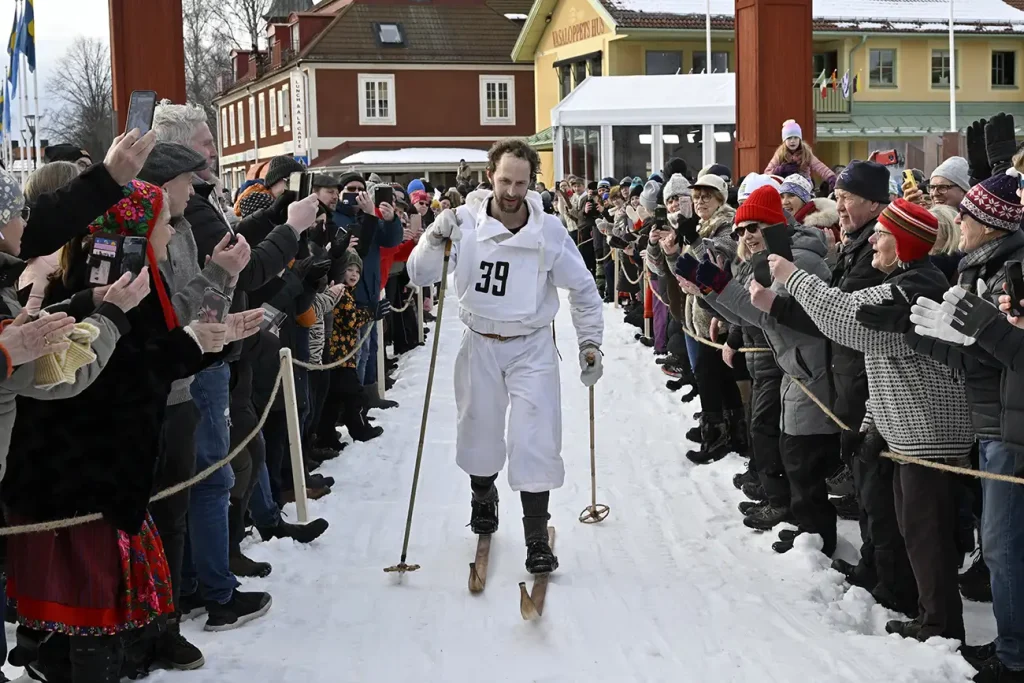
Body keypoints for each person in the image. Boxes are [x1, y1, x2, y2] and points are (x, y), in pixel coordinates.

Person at [3, 181, 237, 682]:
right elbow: (116, 375)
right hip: (84, 475)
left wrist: (211, 338)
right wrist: (193, 343)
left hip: (87, 471)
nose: (173, 230)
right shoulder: (116, 281)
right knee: (91, 609)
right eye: (164, 221)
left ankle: (68, 657)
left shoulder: (116, 275)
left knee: (89, 611)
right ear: (137, 228)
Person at [772, 197, 972, 638]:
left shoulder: (912, 288)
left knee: (927, 538)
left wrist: (793, 279)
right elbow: (887, 370)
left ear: (901, 243)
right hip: (908, 434)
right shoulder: (905, 281)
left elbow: (842, 318)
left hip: (930, 439)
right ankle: (931, 617)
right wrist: (868, 426)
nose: (874, 242)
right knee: (913, 533)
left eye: (881, 234)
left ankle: (940, 628)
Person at [406, 138, 604, 573]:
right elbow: (420, 274)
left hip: (530, 344)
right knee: (479, 428)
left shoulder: (548, 230)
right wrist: (433, 237)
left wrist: (590, 342)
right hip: (480, 341)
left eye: (521, 182)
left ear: (532, 181)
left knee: (535, 435)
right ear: (490, 176)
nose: (512, 191)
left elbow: (584, 289)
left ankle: (536, 536)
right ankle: (483, 497)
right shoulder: (464, 223)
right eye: (504, 181)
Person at [693, 186, 839, 554]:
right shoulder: (772, 258)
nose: (746, 237)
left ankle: (814, 533)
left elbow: (788, 318)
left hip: (810, 371)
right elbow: (757, 316)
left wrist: (723, 290)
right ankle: (804, 526)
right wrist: (711, 290)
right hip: (793, 368)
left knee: (799, 456)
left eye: (753, 227)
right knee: (790, 450)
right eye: (741, 231)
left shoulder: (798, 259)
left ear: (773, 225)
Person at [764, 120, 836, 188]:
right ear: (784, 140)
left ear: (800, 139)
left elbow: (819, 166)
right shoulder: (780, 153)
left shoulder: (806, 153)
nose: (792, 141)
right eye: (789, 138)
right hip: (785, 184)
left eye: (796, 138)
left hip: (804, 183)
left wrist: (831, 177)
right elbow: (767, 172)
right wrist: (781, 169)